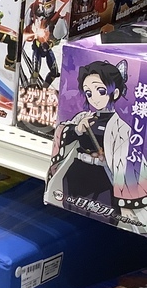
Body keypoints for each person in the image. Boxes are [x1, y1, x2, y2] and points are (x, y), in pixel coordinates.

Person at [49, 61, 130, 226]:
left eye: (101, 91)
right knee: (68, 218)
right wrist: (77, 129)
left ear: (115, 93)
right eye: (88, 93)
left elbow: (124, 163)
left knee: (104, 221)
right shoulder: (83, 117)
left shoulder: (121, 126)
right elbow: (62, 135)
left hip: (104, 179)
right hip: (76, 173)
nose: (94, 98)